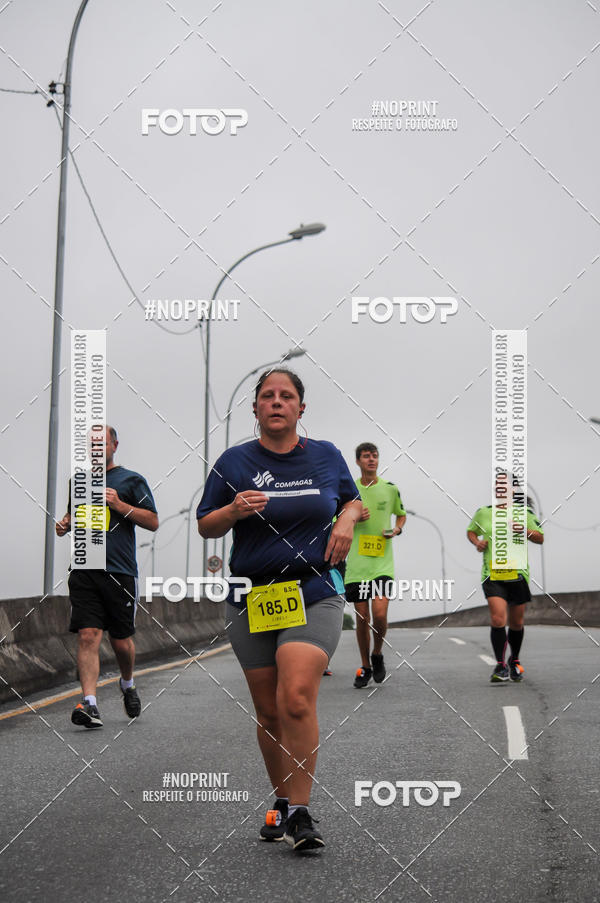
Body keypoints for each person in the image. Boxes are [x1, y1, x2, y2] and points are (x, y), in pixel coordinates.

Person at [196, 369, 361, 852]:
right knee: (269, 712)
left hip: (314, 589)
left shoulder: (327, 456)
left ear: (300, 409)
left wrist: (348, 519)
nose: (276, 402)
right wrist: (233, 513)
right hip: (253, 597)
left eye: (286, 396)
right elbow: (206, 526)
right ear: (255, 409)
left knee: (295, 695)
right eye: (267, 396)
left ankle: (303, 812)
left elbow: (352, 502)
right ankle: (283, 802)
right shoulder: (234, 461)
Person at [56, 426, 158, 727]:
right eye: (91, 445)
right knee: (88, 635)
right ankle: (89, 704)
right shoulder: (80, 482)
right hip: (85, 571)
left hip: (120, 571)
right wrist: (65, 524)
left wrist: (120, 505)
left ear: (115, 444)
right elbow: (76, 518)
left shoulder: (131, 480)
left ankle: (127, 684)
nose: (96, 449)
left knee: (121, 642)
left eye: (102, 443)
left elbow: (152, 521)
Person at [467, 475, 544, 682]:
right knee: (498, 618)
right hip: (492, 574)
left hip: (517, 574)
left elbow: (540, 537)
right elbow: (471, 531)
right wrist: (477, 542)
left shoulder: (524, 513)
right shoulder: (484, 513)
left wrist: (524, 531)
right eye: (497, 484)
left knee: (516, 623)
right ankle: (500, 666)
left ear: (513, 490)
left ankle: (514, 660)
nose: (500, 488)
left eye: (505, 484)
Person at [343, 443, 406, 688]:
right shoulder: (350, 490)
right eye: (366, 456)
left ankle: (377, 653)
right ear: (358, 461)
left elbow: (401, 514)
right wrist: (352, 516)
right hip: (357, 565)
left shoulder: (390, 489)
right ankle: (365, 666)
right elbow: (336, 517)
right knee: (362, 617)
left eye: (375, 456)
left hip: (382, 563)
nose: (371, 460)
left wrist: (397, 529)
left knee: (379, 615)